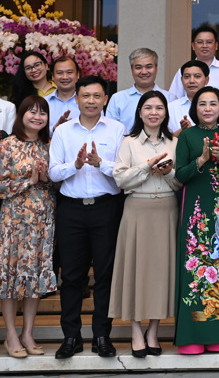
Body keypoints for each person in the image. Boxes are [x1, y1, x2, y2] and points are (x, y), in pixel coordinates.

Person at [49, 75, 126, 359]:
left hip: (107, 208)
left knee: (105, 274)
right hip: (71, 209)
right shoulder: (63, 132)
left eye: (96, 96)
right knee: (71, 276)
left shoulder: (117, 130)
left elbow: (122, 172)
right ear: (77, 98)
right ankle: (71, 336)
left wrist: (99, 163)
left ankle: (101, 335)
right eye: (86, 96)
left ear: (105, 99)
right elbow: (54, 172)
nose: (91, 101)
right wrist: (76, 164)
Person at [174, 86, 219, 354]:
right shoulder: (187, 136)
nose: (208, 108)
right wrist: (202, 160)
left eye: (213, 103)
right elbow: (179, 175)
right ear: (195, 109)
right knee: (196, 269)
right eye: (202, 103)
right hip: (195, 212)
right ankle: (193, 335)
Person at [108, 90, 180, 357]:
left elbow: (179, 181)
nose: (153, 112)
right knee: (135, 269)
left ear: (165, 113)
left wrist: (168, 171)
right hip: (137, 208)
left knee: (160, 272)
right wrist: (146, 168)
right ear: (140, 112)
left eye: (159, 108)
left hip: (166, 208)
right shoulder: (129, 142)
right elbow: (120, 179)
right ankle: (136, 331)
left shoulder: (174, 142)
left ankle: (153, 331)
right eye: (148, 107)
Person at [0, 96, 55, 358]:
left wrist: (45, 180)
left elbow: (58, 184)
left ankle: (28, 332)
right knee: (10, 277)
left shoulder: (49, 146)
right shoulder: (6, 146)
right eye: (32, 112)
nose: (37, 117)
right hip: (12, 222)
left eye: (42, 112)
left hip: (42, 222)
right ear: (21, 115)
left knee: (33, 277)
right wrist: (29, 181)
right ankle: (10, 334)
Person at [167, 23, 219, 98]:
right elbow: (173, 99)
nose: (204, 46)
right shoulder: (183, 71)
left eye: (209, 42)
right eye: (200, 42)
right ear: (193, 46)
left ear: (216, 45)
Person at [106, 48, 169, 133]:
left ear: (156, 69)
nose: (144, 72)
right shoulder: (117, 99)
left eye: (149, 67)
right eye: (138, 67)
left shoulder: (170, 98)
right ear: (132, 70)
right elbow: (111, 132)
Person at [167, 61, 211, 136]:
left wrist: (192, 131)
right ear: (181, 80)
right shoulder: (171, 107)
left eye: (197, 76)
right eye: (187, 77)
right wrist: (183, 130)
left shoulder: (215, 107)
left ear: (206, 80)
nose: (191, 81)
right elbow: (164, 140)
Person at [48, 56, 80, 130]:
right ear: (53, 76)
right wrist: (53, 129)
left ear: (78, 75)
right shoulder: (43, 103)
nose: (65, 77)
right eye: (59, 73)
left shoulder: (89, 103)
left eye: (69, 72)